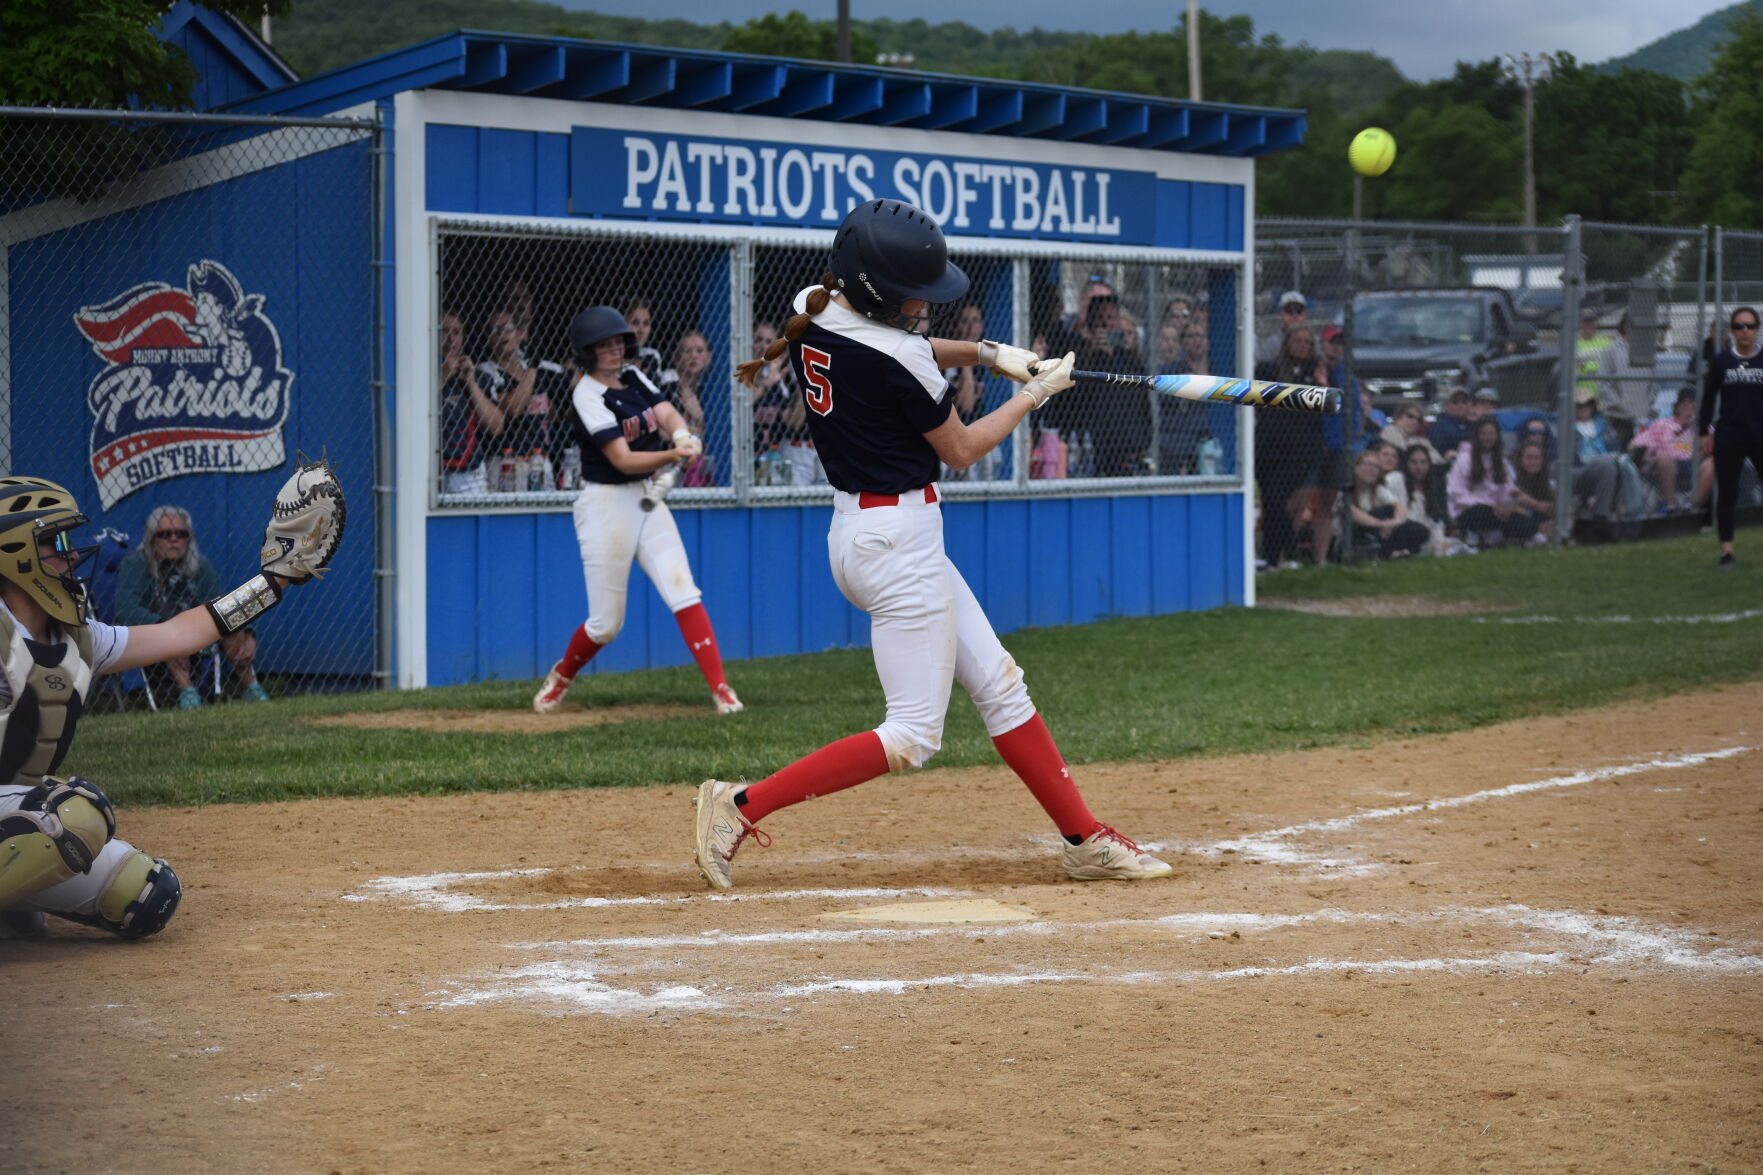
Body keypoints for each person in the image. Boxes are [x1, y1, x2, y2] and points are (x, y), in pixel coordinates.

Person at [694, 198, 1172, 890]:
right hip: (898, 544)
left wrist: (988, 355)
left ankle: (1082, 838)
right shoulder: (898, 355)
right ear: (878, 292)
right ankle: (738, 805)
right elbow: (963, 447)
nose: (923, 304)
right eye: (912, 294)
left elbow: (905, 347)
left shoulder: (814, 304)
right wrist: (1034, 394)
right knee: (911, 734)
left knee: (1001, 685)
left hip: (867, 532)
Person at [0, 463, 343, 940]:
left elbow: (180, 633)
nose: (70, 555)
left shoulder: (79, 638)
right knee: (75, 813)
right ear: (14, 556)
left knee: (145, 892)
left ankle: (13, 902)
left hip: (13, 812)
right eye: (53, 543)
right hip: (27, 810)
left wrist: (275, 581)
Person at [532, 307, 742, 716]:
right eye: (603, 345)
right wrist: (674, 451)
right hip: (605, 505)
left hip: (645, 498)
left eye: (617, 343)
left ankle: (721, 689)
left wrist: (680, 431)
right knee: (606, 624)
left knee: (683, 590)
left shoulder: (633, 376)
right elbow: (623, 459)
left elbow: (663, 410)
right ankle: (562, 677)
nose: (613, 350)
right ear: (586, 352)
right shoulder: (586, 394)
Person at [112, 506, 270, 708]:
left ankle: (251, 687)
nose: (173, 539)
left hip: (196, 636)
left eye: (181, 534)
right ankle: (187, 691)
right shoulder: (136, 563)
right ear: (152, 540)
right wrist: (164, 630)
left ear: (189, 539)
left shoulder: (200, 565)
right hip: (153, 638)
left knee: (224, 616)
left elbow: (220, 603)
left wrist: (247, 633)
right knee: (168, 618)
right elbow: (126, 607)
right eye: (164, 534)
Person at [1254, 326, 1325, 568]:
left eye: (1307, 341)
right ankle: (1272, 556)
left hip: (1297, 451)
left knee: (1277, 499)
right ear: (1287, 343)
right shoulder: (1268, 370)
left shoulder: (1314, 373)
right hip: (1268, 446)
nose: (1303, 345)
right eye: (1298, 340)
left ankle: (1287, 549)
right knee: (1270, 501)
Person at [1701, 306, 1763, 568]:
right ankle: (1727, 551)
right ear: (1733, 331)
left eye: (1749, 326)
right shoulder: (1722, 362)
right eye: (1739, 326)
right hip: (1729, 435)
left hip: (1760, 434)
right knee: (1727, 492)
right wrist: (1704, 431)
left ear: (1757, 329)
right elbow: (1708, 399)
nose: (1745, 331)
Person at [437, 309, 505, 494]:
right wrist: (442, 378)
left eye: (456, 332)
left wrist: (471, 383)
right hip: (431, 471)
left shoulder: (479, 376)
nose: (451, 340)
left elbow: (496, 426)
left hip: (469, 473)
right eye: (444, 332)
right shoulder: (422, 374)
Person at [749, 319, 820, 485]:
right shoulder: (741, 373)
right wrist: (765, 385)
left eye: (768, 342)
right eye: (758, 340)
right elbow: (739, 408)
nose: (763, 346)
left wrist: (806, 379)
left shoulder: (785, 381)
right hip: (744, 454)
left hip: (773, 458)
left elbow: (793, 423)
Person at [1448, 417, 1536, 548]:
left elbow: (1506, 488)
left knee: (1526, 522)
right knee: (1481, 513)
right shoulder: (1464, 459)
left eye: (1491, 433)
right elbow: (1457, 493)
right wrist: (1491, 506)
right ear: (1476, 435)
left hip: (1498, 511)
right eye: (1483, 433)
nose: (1487, 437)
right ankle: (1475, 539)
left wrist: (1510, 505)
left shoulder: (1500, 460)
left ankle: (1502, 539)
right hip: (1469, 510)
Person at [1632, 389, 1712, 515]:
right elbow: (1635, 444)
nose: (1688, 407)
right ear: (1677, 407)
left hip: (1695, 464)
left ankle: (1693, 506)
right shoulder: (1663, 424)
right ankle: (1671, 507)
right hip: (1669, 464)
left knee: (1713, 463)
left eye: (1692, 404)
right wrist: (1649, 453)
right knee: (1663, 456)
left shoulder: (1703, 426)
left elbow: (1714, 444)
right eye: (1684, 404)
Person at [1341, 450, 1429, 560]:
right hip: (1354, 531)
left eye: (1376, 467)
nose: (1373, 470)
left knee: (1421, 530)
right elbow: (1352, 513)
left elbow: (1400, 507)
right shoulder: (1345, 490)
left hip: (1380, 530)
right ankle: (1398, 551)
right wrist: (1381, 524)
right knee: (1386, 511)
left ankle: (1396, 552)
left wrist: (1394, 523)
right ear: (1355, 468)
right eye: (1368, 465)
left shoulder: (1378, 489)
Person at [658, 329, 716, 486]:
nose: (694, 356)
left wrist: (699, 416)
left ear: (708, 357)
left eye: (699, 351)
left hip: (700, 458)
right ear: (677, 357)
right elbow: (659, 430)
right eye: (687, 351)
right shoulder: (667, 383)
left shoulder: (710, 387)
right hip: (668, 456)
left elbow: (716, 431)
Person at [1596, 312, 1655, 453]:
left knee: (1643, 456)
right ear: (1623, 325)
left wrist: (1647, 403)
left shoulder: (1646, 350)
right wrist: (1619, 404)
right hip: (1619, 419)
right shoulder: (1611, 350)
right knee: (1621, 455)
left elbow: (1654, 383)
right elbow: (1603, 384)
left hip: (1642, 416)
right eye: (1630, 324)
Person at [1399, 444, 1450, 555]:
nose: (1419, 467)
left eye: (1423, 462)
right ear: (1406, 463)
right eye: (1414, 462)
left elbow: (1437, 517)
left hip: (1428, 533)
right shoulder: (1397, 480)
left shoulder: (1433, 485)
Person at [1510, 440, 1555, 544]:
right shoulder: (1511, 475)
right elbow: (1515, 495)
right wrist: (1537, 505)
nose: (1533, 462)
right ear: (1520, 459)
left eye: (1537, 458)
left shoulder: (1547, 481)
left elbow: (1555, 502)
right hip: (1517, 520)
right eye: (1529, 457)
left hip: (1537, 518)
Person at [1255, 291, 1308, 365]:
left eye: (1299, 311)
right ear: (1280, 314)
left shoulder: (1313, 341)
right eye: (1289, 310)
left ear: (1305, 315)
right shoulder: (1272, 344)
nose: (1294, 315)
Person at [622, 298, 665, 387]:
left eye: (646, 324)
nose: (641, 331)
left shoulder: (651, 356)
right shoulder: (612, 356)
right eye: (635, 323)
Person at [1428, 386, 1475, 463]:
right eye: (1455, 402)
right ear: (1447, 405)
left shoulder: (1474, 424)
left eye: (1464, 401)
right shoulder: (1439, 425)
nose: (1460, 405)